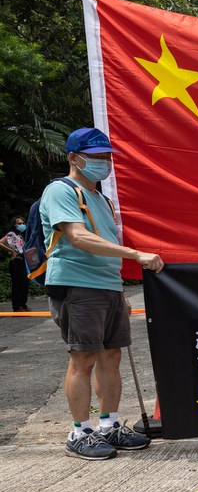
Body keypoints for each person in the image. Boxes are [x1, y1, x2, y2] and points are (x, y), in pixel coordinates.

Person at [40, 127, 165, 460]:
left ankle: (108, 425)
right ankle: (80, 432)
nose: (103, 162)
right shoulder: (61, 190)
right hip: (77, 285)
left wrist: (119, 287)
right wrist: (136, 255)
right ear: (73, 157)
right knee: (83, 358)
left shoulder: (102, 198)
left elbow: (104, 244)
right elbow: (78, 238)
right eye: (95, 157)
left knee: (112, 356)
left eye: (106, 156)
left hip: (107, 286)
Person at [1, 215, 30, 312]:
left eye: (23, 223)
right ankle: (17, 307)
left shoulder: (21, 235)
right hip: (16, 261)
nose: (22, 225)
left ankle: (23, 304)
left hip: (23, 261)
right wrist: (12, 251)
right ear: (14, 224)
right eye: (19, 223)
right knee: (17, 284)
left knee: (24, 283)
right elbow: (0, 242)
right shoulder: (11, 234)